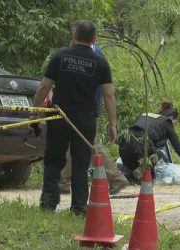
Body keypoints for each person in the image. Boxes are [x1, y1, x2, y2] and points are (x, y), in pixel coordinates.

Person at [32, 20, 117, 216]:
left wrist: (34, 112)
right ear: (94, 39)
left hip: (59, 117)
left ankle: (48, 203)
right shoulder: (100, 63)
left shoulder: (59, 57)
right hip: (85, 119)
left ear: (74, 35)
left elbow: (44, 87)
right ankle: (79, 208)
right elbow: (109, 94)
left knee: (53, 160)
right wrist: (113, 124)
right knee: (80, 163)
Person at [58, 22, 128, 195]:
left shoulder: (93, 53)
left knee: (91, 144)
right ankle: (64, 180)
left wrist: (113, 122)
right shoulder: (84, 52)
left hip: (86, 108)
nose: (73, 36)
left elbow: (105, 90)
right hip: (79, 108)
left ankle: (116, 178)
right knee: (74, 143)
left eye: (75, 32)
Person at [118, 101, 180, 180]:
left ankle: (128, 173)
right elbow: (177, 146)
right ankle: (140, 172)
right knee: (158, 156)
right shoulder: (167, 122)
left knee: (133, 168)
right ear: (172, 118)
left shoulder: (146, 115)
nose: (174, 126)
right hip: (142, 146)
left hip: (124, 145)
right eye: (175, 123)